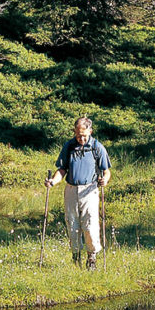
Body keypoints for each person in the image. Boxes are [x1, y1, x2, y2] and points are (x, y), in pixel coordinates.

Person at [45, 116, 111, 270]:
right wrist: (53, 182)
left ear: (90, 131)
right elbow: (62, 170)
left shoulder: (97, 147)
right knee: (72, 223)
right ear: (74, 132)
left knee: (89, 224)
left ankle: (91, 258)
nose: (81, 138)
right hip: (71, 189)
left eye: (84, 135)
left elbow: (106, 172)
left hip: (90, 190)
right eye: (78, 135)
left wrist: (105, 181)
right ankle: (76, 256)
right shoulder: (69, 146)